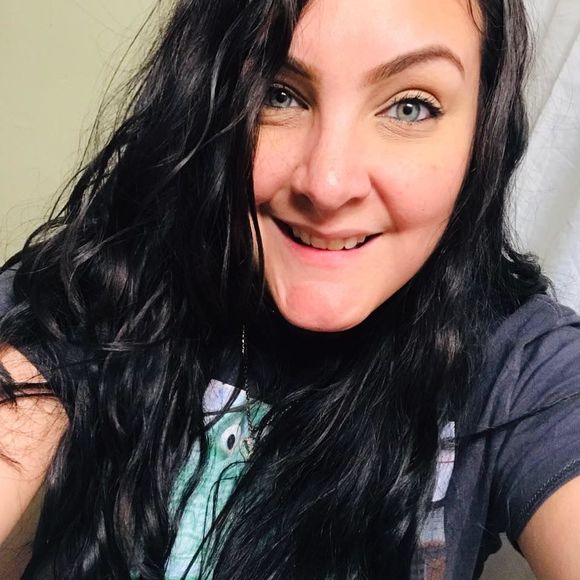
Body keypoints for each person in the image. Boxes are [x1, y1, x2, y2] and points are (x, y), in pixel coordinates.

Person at [1, 0, 579, 578]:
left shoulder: (523, 369)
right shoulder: (100, 285)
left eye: (410, 107)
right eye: (279, 95)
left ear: (482, 134)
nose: (327, 184)